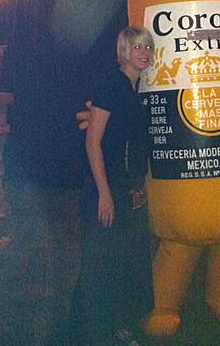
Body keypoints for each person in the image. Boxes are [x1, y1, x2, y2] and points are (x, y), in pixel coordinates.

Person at [69, 26, 155, 346]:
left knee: (126, 263)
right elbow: (93, 143)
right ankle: (91, 333)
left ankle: (119, 327)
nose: (144, 53)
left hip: (130, 189)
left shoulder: (138, 87)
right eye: (137, 47)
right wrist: (104, 194)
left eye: (148, 47)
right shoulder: (110, 85)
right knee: (100, 265)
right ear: (124, 52)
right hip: (108, 188)